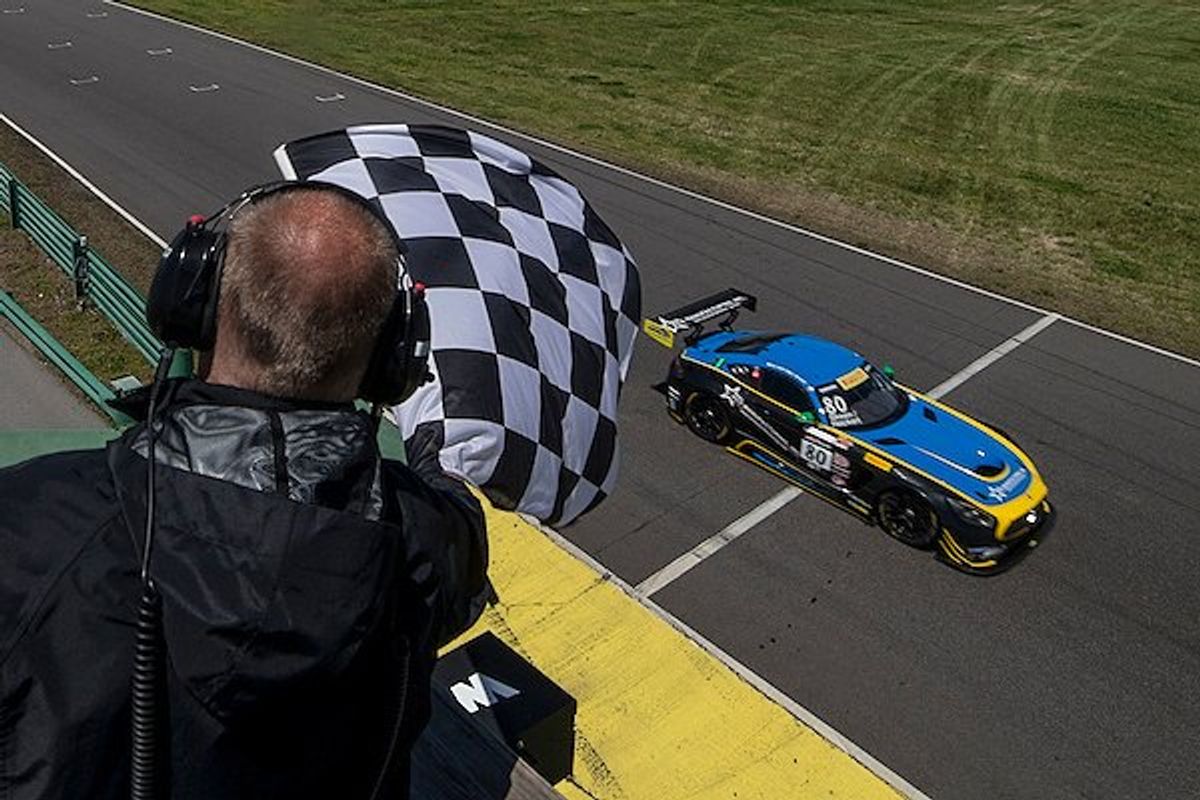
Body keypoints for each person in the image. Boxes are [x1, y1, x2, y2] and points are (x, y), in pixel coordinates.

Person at [0, 184, 489, 799]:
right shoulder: (426, 537)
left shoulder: (27, 521)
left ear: (191, 303)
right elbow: (463, 537)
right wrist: (435, 469)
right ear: (392, 361)